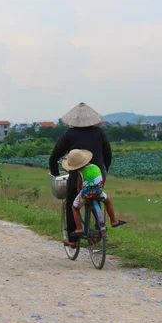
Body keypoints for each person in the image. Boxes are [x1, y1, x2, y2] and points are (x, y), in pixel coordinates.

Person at [49, 102, 113, 247]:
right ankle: (99, 226)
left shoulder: (69, 134)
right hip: (98, 174)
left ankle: (73, 238)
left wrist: (55, 173)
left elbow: (54, 157)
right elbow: (108, 154)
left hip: (78, 176)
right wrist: (104, 171)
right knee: (97, 194)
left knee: (72, 200)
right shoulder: (99, 132)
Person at [62, 149, 125, 241]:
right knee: (108, 201)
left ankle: (79, 228)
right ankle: (114, 221)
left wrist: (79, 190)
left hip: (86, 195)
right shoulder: (96, 167)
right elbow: (101, 179)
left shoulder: (80, 172)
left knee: (75, 208)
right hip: (98, 192)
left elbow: (79, 186)